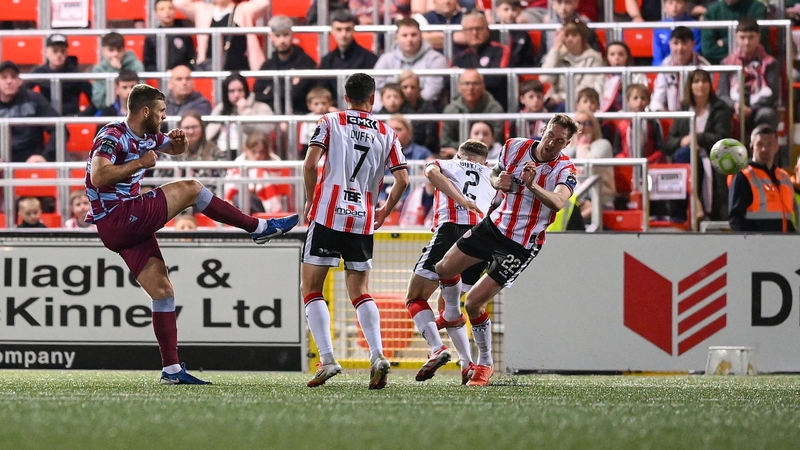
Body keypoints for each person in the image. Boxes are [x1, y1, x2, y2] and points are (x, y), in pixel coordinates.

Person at [86, 83, 299, 384]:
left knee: (162, 291)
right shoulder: (112, 134)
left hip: (123, 223)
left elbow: (175, 150)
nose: (164, 117)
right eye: (161, 112)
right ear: (145, 111)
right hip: (118, 216)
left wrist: (180, 142)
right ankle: (258, 228)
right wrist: (139, 164)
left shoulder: (147, 135)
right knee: (191, 189)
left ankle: (172, 370)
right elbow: (98, 176)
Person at [434, 114, 579, 386]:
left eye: (560, 141)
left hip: (521, 243)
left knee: (474, 302)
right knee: (443, 268)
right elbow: (494, 173)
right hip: (494, 225)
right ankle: (451, 313)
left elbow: (558, 202)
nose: (551, 143)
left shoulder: (565, 169)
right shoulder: (514, 146)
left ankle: (485, 364)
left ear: (567, 144)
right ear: (543, 130)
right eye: (550, 135)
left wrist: (532, 185)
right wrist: (496, 181)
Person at [302, 73, 409, 389]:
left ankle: (327, 359)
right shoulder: (387, 132)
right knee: (360, 291)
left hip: (328, 214)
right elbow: (403, 179)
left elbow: (310, 164)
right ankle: (377, 355)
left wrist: (310, 199)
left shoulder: (330, 121)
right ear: (373, 99)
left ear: (345, 97)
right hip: (362, 218)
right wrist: (385, 210)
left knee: (311, 288)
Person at [404, 139, 495, 383]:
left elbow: (431, 173)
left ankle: (437, 348)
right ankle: (467, 363)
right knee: (448, 305)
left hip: (452, 229)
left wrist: (461, 199)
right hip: (483, 238)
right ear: (485, 162)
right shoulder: (492, 174)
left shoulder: (446, 164)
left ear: (458, 156)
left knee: (415, 297)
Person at [664, 68, 733, 222]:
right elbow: (669, 143)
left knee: (686, 156)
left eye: (704, 81)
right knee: (684, 155)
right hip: (687, 156)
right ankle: (692, 201)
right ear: (690, 86)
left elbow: (723, 138)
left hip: (711, 154)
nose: (700, 85)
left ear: (710, 84)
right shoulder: (683, 108)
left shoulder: (720, 108)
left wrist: (697, 139)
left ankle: (681, 213)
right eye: (696, 81)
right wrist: (683, 141)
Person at [729, 124, 799, 232]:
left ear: (777, 147)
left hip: (785, 240)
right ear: (751, 146)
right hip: (758, 241)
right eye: (759, 144)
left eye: (769, 144)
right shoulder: (743, 176)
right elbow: (736, 219)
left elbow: (791, 216)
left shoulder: (784, 177)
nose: (764, 149)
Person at [717, 17, 780, 135]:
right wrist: (735, 106)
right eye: (742, 37)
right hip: (733, 108)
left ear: (759, 37)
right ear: (736, 37)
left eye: (751, 37)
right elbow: (722, 93)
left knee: (767, 114)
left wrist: (752, 109)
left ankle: (763, 147)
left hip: (759, 108)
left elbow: (773, 93)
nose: (747, 42)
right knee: (719, 115)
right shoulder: (727, 62)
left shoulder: (769, 62)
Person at [372, 17, 447, 111]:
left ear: (421, 35)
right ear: (396, 37)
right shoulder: (385, 59)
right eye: (404, 35)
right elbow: (374, 88)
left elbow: (431, 91)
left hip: (421, 110)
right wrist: (389, 105)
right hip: (389, 111)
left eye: (413, 35)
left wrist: (409, 107)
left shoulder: (436, 59)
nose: (409, 39)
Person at [173, 0, 269, 71]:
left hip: (238, 68)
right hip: (209, 68)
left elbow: (264, 2)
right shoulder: (203, 10)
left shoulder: (243, 9)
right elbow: (179, 2)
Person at [252, 15, 317, 114]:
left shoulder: (306, 62)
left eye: (285, 35)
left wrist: (271, 90)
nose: (282, 40)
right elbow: (258, 95)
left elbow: (299, 94)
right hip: (272, 115)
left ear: (292, 35)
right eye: (278, 36)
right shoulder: (268, 66)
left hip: (302, 114)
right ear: (271, 37)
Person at [0, 61, 63, 162]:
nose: (9, 81)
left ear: (20, 81)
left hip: (32, 162)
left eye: (13, 77)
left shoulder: (35, 100)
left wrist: (44, 156)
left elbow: (59, 129)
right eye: (4, 77)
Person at [451, 10, 511, 111]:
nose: (474, 33)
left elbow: (497, 80)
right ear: (463, 32)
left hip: (494, 108)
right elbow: (448, 81)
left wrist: (465, 80)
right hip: (464, 110)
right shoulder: (459, 57)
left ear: (487, 30)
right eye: (470, 29)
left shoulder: (500, 51)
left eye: (478, 29)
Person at [206, 72, 276, 158]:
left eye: (240, 90)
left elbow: (267, 129)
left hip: (248, 156)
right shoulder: (220, 109)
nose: (236, 95)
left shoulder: (260, 107)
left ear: (246, 91)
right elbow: (209, 134)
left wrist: (244, 113)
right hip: (219, 154)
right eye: (232, 91)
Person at [540, 18, 603, 113]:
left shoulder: (594, 58)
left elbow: (587, 86)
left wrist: (563, 98)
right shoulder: (557, 55)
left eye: (574, 35)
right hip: (556, 103)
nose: (569, 39)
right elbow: (545, 78)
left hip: (581, 104)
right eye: (566, 35)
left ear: (583, 38)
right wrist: (555, 48)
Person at [317, 10, 379, 104]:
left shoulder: (369, 59)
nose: (343, 34)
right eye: (339, 29)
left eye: (348, 29)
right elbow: (321, 90)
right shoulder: (327, 61)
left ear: (354, 29)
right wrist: (329, 107)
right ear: (332, 31)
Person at [563, 110, 615, 218]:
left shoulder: (603, 145)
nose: (582, 128)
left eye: (587, 123)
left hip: (600, 199)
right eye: (578, 123)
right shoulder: (566, 148)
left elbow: (587, 169)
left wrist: (582, 145)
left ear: (594, 127)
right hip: (576, 200)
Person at [440, 70, 504, 157]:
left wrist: (463, 149)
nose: (471, 88)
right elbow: (445, 142)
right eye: (466, 84)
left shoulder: (494, 109)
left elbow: (495, 139)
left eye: (475, 84)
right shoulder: (451, 110)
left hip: (489, 156)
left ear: (483, 86)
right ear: (459, 87)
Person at [29, 33, 93, 116]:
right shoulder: (39, 72)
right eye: (55, 51)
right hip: (46, 119)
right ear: (46, 52)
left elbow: (95, 101)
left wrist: (79, 116)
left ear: (67, 52)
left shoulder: (76, 74)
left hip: (71, 119)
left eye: (62, 51)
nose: (59, 55)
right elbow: (23, 94)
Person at [224, 131, 287, 214]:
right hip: (241, 202)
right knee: (240, 198)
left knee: (246, 199)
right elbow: (230, 188)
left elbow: (277, 187)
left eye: (261, 152)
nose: (257, 155)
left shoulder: (274, 163)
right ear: (245, 149)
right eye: (253, 151)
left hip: (267, 204)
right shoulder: (237, 164)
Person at [649, 26, 709, 113]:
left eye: (684, 43)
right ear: (670, 44)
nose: (680, 48)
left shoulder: (703, 66)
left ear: (693, 44)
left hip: (697, 114)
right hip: (671, 115)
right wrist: (658, 111)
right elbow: (658, 98)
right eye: (676, 43)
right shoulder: (665, 66)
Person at [702, 0, 768, 65]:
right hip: (720, 66)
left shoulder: (757, 8)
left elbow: (760, 41)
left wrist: (725, 42)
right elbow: (708, 50)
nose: (746, 42)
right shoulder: (713, 10)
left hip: (758, 64)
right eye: (742, 38)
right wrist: (734, 56)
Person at [536, 0, 600, 66]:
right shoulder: (548, 27)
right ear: (553, 4)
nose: (563, 7)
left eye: (568, 2)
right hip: (556, 67)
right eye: (559, 2)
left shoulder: (585, 25)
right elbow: (541, 58)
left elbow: (595, 53)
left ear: (576, 3)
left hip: (582, 66)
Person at [91, 32, 145, 110]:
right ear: (103, 51)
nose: (115, 54)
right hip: (107, 111)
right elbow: (99, 102)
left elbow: (141, 97)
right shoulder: (99, 69)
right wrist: (113, 70)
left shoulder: (136, 66)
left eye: (119, 50)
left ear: (124, 50)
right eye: (111, 50)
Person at [595, 41, 649, 113]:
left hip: (632, 113)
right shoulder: (601, 77)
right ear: (607, 57)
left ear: (627, 56)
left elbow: (644, 96)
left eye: (621, 54)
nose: (616, 57)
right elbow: (598, 98)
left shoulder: (638, 76)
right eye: (612, 54)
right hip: (606, 114)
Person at [143, 0, 196, 71]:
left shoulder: (184, 34)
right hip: (159, 75)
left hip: (181, 75)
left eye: (170, 8)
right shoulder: (151, 37)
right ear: (156, 14)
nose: (167, 12)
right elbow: (148, 64)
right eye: (162, 9)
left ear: (175, 11)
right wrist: (162, 72)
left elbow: (191, 59)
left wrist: (182, 70)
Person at [397, 71, 440, 154]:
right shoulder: (395, 109)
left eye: (413, 87)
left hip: (424, 151)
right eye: (405, 87)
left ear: (418, 89)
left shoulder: (428, 108)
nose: (409, 91)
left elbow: (431, 138)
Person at [653, 0, 701, 66]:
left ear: (686, 6)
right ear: (664, 6)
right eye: (670, 3)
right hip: (666, 67)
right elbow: (658, 55)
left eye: (679, 2)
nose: (674, 6)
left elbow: (696, 50)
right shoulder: (659, 27)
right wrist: (660, 68)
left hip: (690, 65)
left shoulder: (694, 26)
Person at [490, 0, 536, 68]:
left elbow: (528, 59)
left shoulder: (523, 34)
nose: (510, 13)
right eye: (506, 9)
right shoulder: (491, 32)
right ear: (497, 11)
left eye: (514, 9)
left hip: (518, 69)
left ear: (519, 11)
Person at [94, 70, 139, 134]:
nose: (129, 91)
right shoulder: (107, 113)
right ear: (117, 89)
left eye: (133, 87)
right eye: (124, 87)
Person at [299, 87, 335, 158]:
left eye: (324, 103)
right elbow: (304, 145)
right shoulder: (306, 121)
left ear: (330, 103)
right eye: (316, 104)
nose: (320, 107)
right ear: (309, 105)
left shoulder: (334, 119)